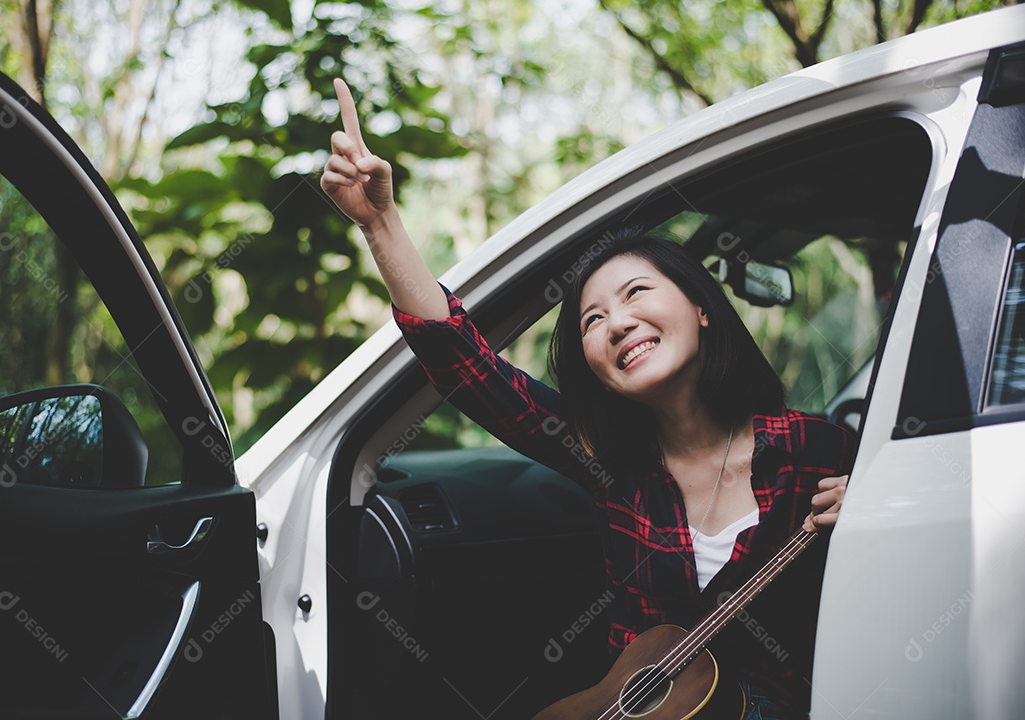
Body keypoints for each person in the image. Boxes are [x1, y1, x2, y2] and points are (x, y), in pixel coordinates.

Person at [321, 77, 854, 720]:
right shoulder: (611, 461)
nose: (617, 324)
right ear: (595, 368)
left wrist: (877, 508)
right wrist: (379, 223)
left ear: (702, 308)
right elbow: (468, 370)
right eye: (592, 320)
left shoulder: (822, 452)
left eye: (636, 293)